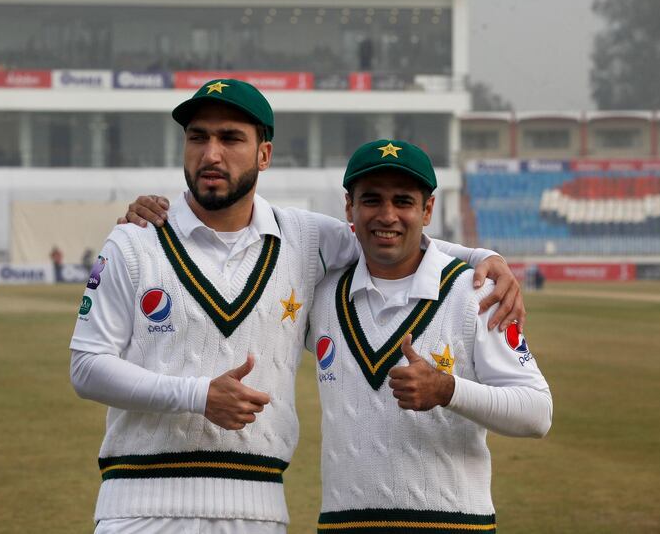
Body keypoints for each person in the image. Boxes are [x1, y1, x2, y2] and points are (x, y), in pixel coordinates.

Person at [71, 79, 524, 534]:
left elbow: (389, 232)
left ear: (263, 155)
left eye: (230, 138)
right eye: (198, 137)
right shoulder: (135, 241)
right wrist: (197, 395)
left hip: (259, 509)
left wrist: (479, 257)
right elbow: (87, 366)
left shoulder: (306, 238)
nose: (211, 154)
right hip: (137, 506)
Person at [306, 139, 552, 532]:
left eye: (403, 201)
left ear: (428, 209)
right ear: (349, 207)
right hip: (343, 524)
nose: (387, 215)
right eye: (371, 200)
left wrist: (447, 390)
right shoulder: (321, 295)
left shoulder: (475, 294)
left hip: (451, 525)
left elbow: (538, 412)